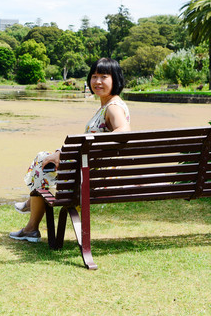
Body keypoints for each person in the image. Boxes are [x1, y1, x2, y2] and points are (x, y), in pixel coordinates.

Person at [9, 58, 131, 242]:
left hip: (92, 177)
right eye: (94, 76)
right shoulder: (111, 105)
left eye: (104, 77)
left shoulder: (113, 108)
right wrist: (64, 154)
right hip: (94, 171)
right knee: (45, 161)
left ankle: (31, 221)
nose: (97, 81)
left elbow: (123, 132)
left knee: (42, 161)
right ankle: (31, 220)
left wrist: (69, 153)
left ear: (116, 79)